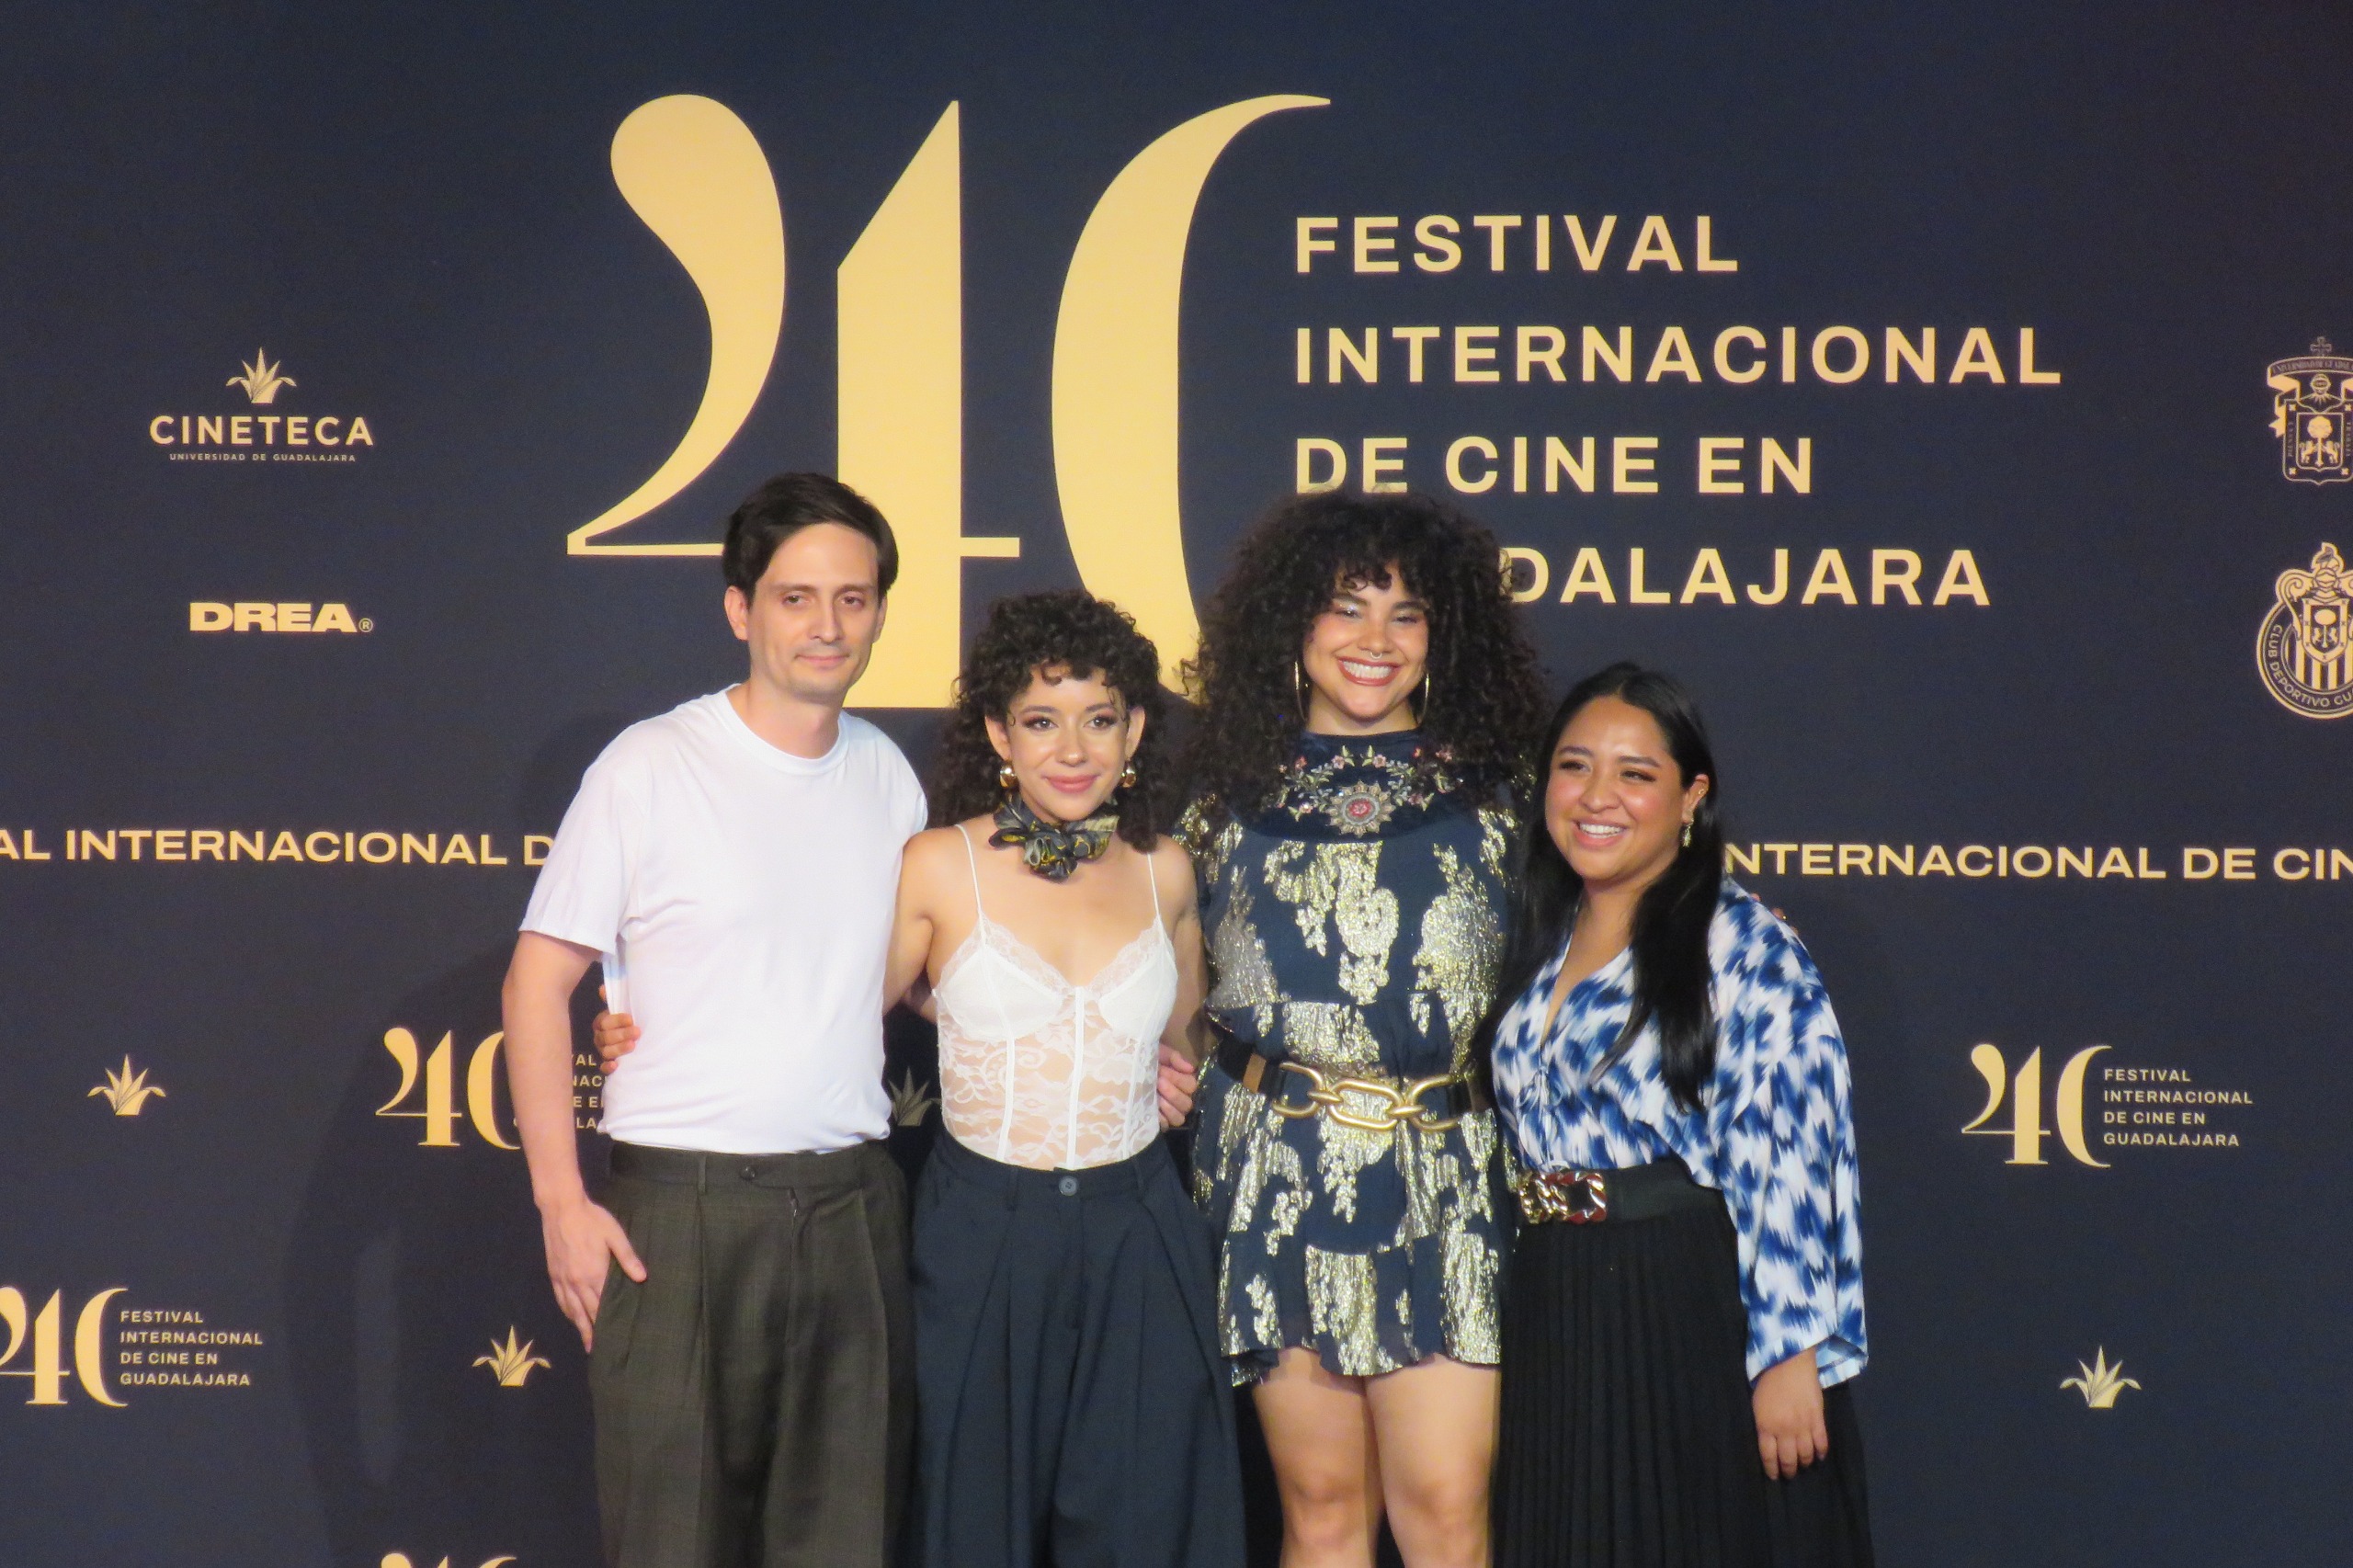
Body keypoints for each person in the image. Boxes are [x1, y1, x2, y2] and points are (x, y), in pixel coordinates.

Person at [501, 473, 926, 1568]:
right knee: (669, 1545)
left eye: (853, 597)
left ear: (879, 610)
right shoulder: (649, 765)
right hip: (676, 1221)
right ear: (740, 610)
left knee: (846, 1544)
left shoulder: (888, 776)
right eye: (794, 597)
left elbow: (887, 981)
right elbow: (538, 982)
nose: (826, 625)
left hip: (850, 1208)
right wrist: (560, 1199)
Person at [1176, 490, 1547, 1568]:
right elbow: (1166, 992)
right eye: (1345, 607)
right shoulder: (1213, 796)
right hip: (1276, 1177)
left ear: (1447, 635)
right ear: (1292, 622)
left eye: (1406, 614)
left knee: (1441, 1508)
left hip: (1451, 1180)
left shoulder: (1508, 796)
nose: (1374, 641)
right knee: (1325, 1511)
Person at [1478, 663, 1873, 1567]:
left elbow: (1795, 1150)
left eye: (1635, 773)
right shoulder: (1537, 927)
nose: (1597, 796)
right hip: (1549, 1298)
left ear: (1691, 795)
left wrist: (1786, 1354)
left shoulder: (1744, 941)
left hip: (1683, 1304)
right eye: (1573, 766)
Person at [884, 588, 1243, 1568]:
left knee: (1146, 1522)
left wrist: (1182, 1079)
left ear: (1134, 730)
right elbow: (829, 1025)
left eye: (1099, 718)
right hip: (981, 1229)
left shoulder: (1164, 868)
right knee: (970, 1522)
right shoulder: (936, 864)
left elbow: (1187, 1037)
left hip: (1141, 1228)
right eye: (1041, 721)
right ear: (1000, 731)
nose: (1072, 748)